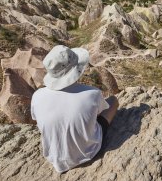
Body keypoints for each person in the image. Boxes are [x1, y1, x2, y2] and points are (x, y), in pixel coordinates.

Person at [31, 45, 119, 173]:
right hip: (89, 151)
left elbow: (36, 119)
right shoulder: (92, 93)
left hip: (54, 156)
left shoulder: (37, 95)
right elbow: (100, 112)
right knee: (113, 101)